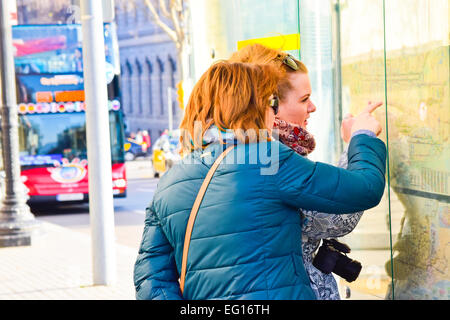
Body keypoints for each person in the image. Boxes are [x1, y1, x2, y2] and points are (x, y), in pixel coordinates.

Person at [133, 61, 386, 300]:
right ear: (251, 106)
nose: (273, 112)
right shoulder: (268, 159)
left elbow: (151, 279)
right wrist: (362, 135)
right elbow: (365, 188)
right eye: (271, 103)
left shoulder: (171, 180)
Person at [228, 43, 375, 299]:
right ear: (270, 105)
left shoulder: (242, 147)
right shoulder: (271, 158)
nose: (313, 107)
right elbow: (336, 217)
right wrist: (358, 141)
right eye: (304, 99)